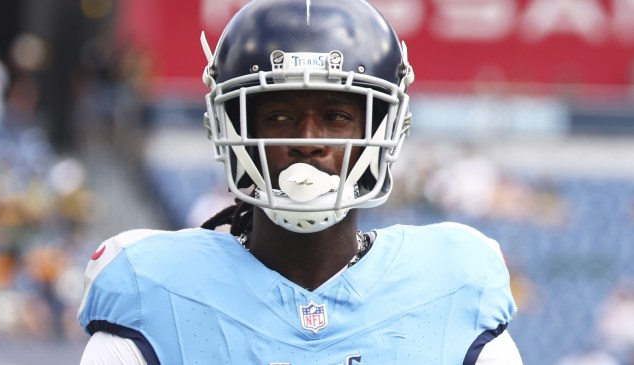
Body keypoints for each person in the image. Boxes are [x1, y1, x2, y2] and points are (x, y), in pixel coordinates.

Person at [78, 0, 522, 363]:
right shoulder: (152, 295)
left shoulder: (452, 288)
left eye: (336, 117)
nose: (307, 141)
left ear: (384, 130)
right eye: (279, 117)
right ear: (231, 130)